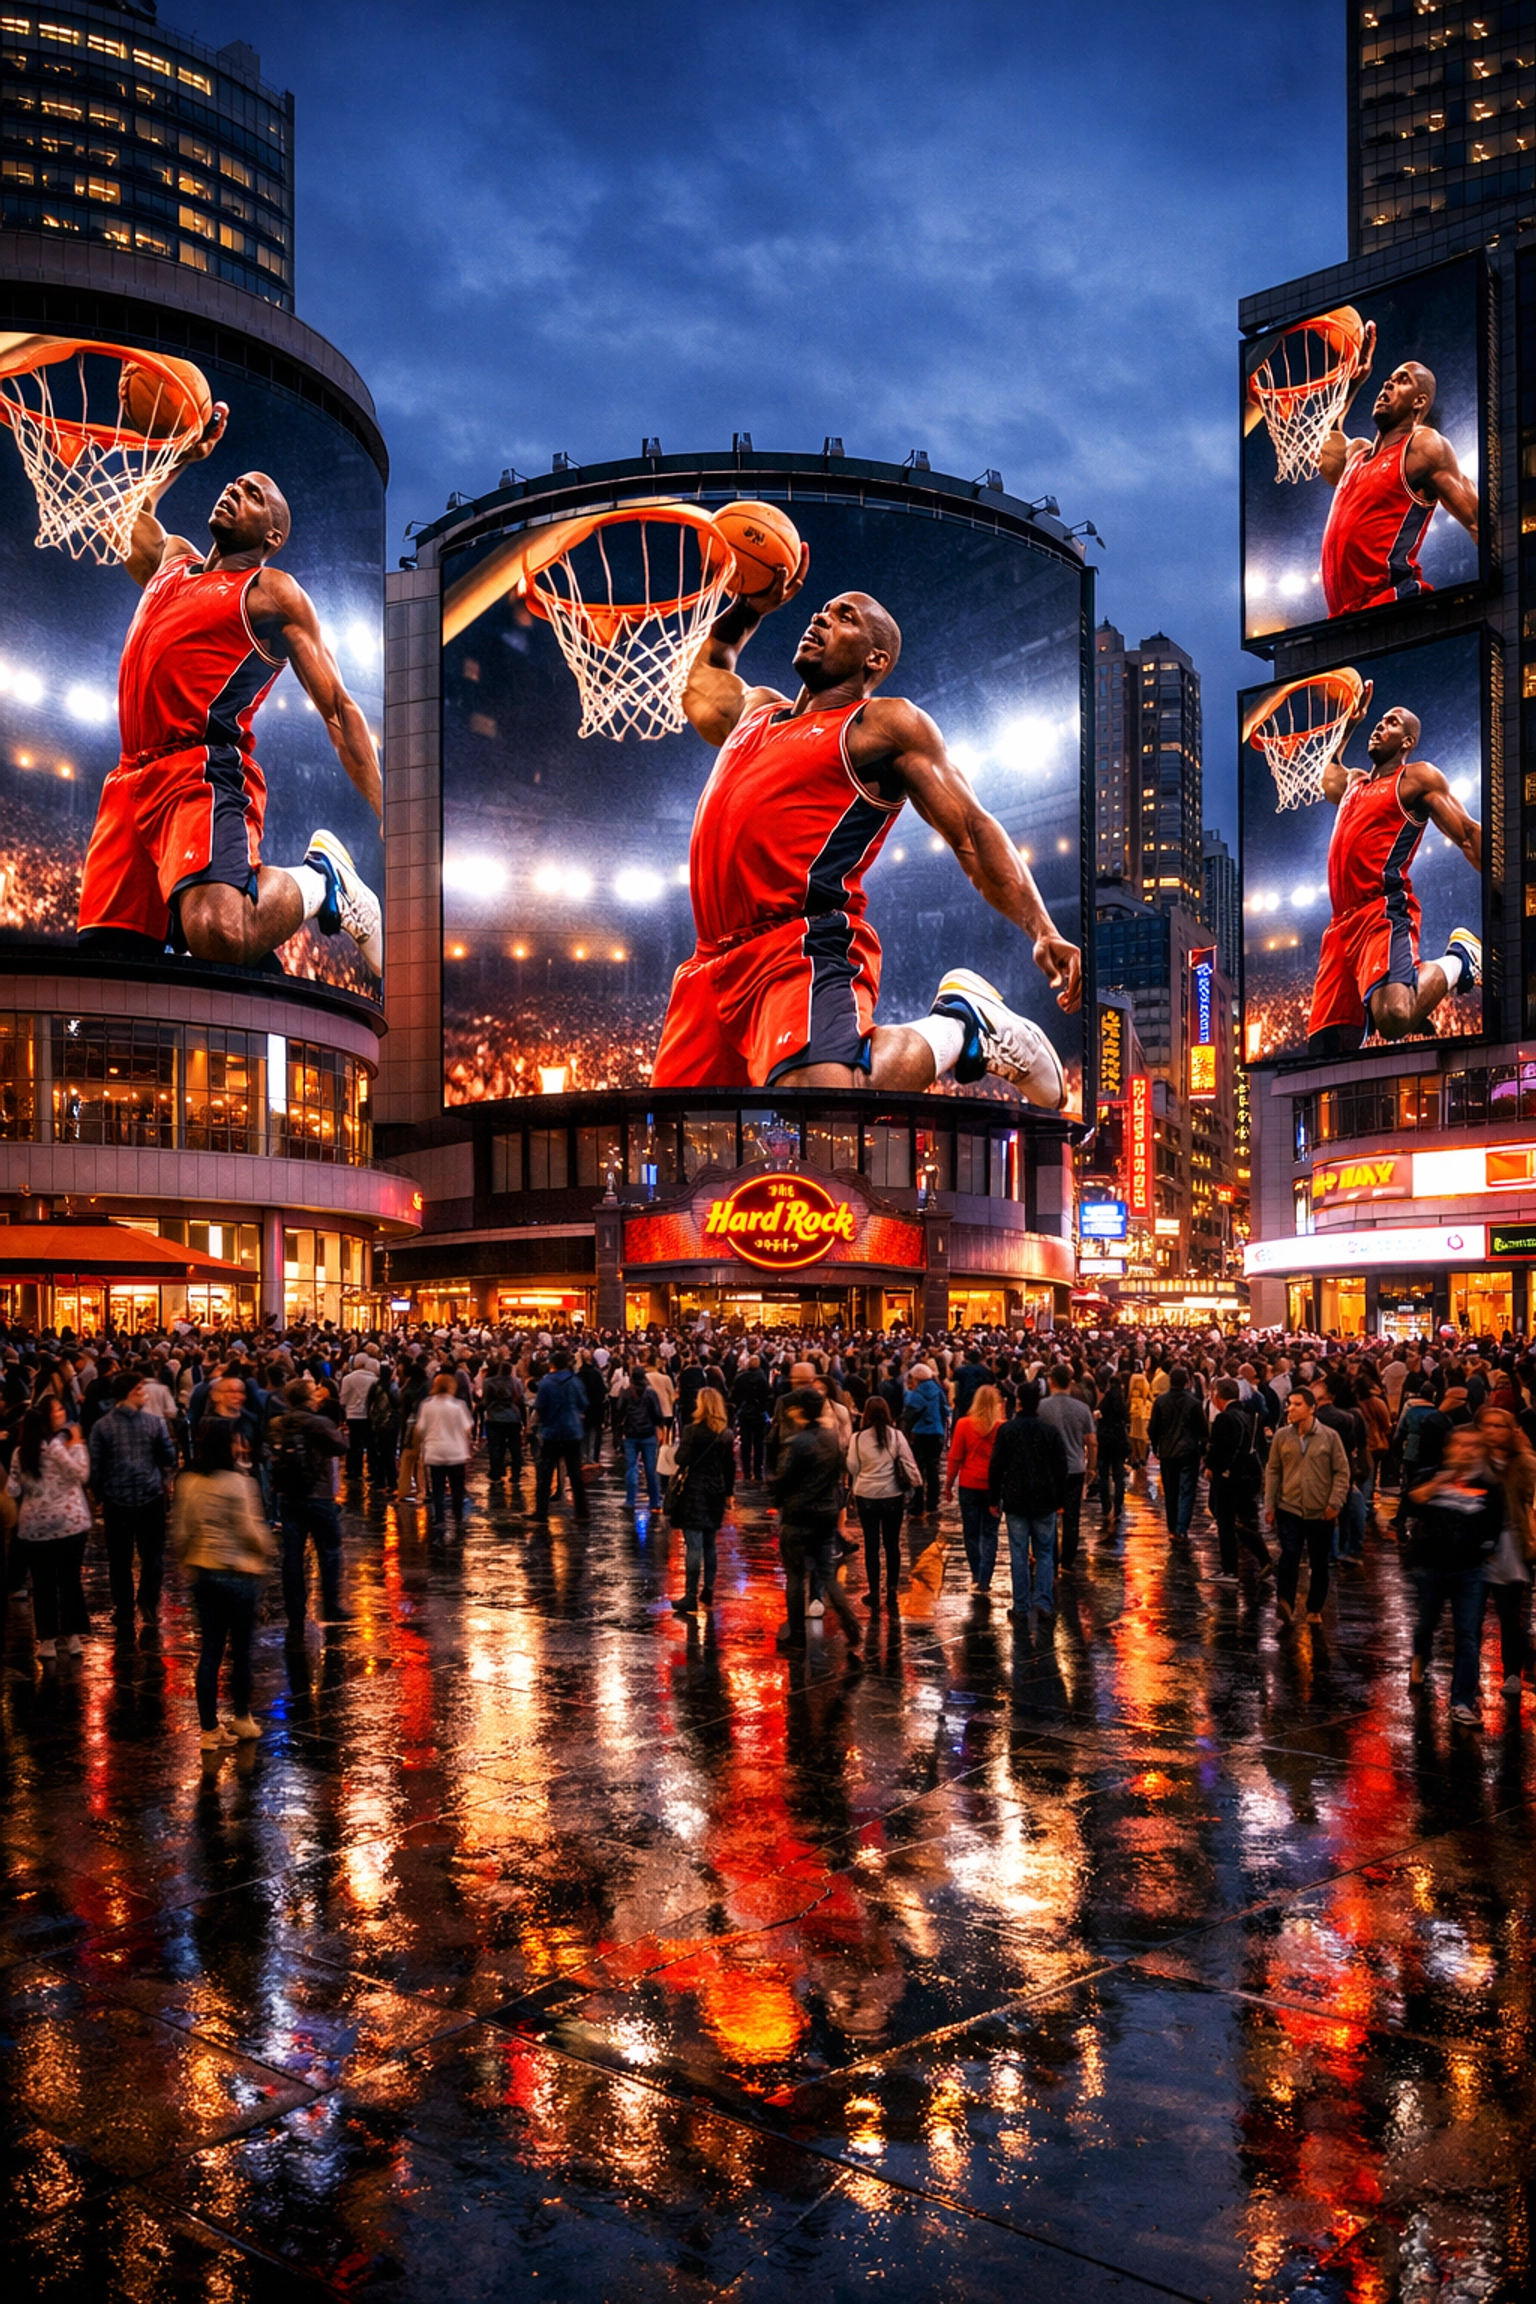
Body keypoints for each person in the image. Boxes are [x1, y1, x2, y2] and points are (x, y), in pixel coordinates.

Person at [657, 562, 1080, 1103]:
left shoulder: (881, 726)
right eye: (821, 611)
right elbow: (699, 679)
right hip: (709, 962)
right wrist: (746, 608)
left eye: (844, 617)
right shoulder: (753, 710)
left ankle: (963, 1024)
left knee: (826, 1098)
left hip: (796, 944)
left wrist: (1041, 928)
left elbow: (972, 830)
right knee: (673, 1138)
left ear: (874, 659)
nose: (821, 618)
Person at [72, 387, 383, 974]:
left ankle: (324, 880)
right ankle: (259, 974)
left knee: (219, 930)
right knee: (109, 964)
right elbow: (122, 517)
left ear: (272, 538)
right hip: (130, 778)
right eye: (234, 484)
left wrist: (390, 812)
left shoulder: (270, 592)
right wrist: (181, 456)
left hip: (200, 771)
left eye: (254, 495)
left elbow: (339, 710)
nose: (235, 490)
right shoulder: (173, 561)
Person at [1306, 687, 1482, 1058]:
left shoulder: (1415, 778)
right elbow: (1326, 773)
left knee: (1394, 1016)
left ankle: (1461, 957)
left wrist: (1515, 878)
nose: (1379, 726)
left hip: (1380, 910)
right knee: (1325, 1049)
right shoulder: (1353, 782)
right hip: (1338, 927)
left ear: (1407, 741)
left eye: (1392, 723)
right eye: (1379, 721)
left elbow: (1468, 834)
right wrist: (1348, 724)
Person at [1316, 333, 1479, 619]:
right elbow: (1322, 442)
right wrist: (1353, 381)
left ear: (1419, 401)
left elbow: (1480, 523)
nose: (1388, 384)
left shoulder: (1423, 446)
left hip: (1390, 600)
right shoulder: (1356, 453)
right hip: (1344, 616)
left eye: (1402, 380)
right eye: (1388, 380)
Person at [171, 1419, 274, 1751]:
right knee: (241, 1652)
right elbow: (249, 1531)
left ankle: (209, 1729)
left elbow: (182, 1531)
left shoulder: (187, 1482)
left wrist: (188, 1562)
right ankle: (242, 1718)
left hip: (204, 1573)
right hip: (238, 1575)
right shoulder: (238, 1483)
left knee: (210, 1651)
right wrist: (265, 1547)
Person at [1407, 1423, 1503, 1724]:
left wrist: (1484, 1551)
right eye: (1461, 1444)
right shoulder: (1430, 1476)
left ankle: (1461, 1700)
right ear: (1449, 1448)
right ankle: (1421, 1655)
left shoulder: (1489, 1486)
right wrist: (1442, 1480)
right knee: (1426, 1624)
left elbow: (1496, 1524)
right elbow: (1411, 1503)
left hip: (1469, 1571)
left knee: (1468, 1634)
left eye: (1473, 1446)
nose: (1466, 1451)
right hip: (1430, 1567)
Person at [770, 1385, 863, 1654]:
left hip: (798, 1516)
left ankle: (797, 1635)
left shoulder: (798, 1443)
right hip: (825, 1513)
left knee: (795, 1576)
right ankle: (851, 1626)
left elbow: (784, 1480)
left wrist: (777, 1497)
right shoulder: (831, 1438)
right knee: (827, 1573)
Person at [87, 1367, 177, 1638]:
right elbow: (168, 1456)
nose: (144, 1393)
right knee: (152, 1556)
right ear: (127, 1393)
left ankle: (124, 1607)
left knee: (120, 1559)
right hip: (150, 1497)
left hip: (116, 1500)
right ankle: (148, 1603)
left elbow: (95, 1466)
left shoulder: (102, 1426)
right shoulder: (154, 1423)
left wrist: (100, 1494)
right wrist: (162, 1478)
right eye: (139, 1389)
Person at [6, 1397, 91, 1662]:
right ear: (47, 1418)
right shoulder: (59, 1448)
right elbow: (81, 1474)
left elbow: (13, 1489)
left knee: (42, 1584)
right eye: (58, 1409)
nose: (63, 1413)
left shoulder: (20, 1453)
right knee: (69, 1581)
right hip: (69, 1525)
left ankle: (47, 1642)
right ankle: (72, 1637)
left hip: (35, 1528)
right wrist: (78, 1445)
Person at [1264, 1388, 1350, 1626]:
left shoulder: (1329, 1437)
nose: (1290, 1409)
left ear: (1312, 1408)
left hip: (1319, 1511)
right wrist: (1270, 1504)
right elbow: (1273, 1470)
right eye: (1289, 1404)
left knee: (1319, 1561)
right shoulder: (1282, 1436)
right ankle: (1286, 1603)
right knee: (1289, 1555)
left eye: (1297, 1404)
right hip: (1289, 1508)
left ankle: (1314, 1608)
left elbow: (1341, 1472)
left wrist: (1334, 1503)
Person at [271, 1375, 348, 1630]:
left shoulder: (278, 1424)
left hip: (289, 1497)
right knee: (329, 1551)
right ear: (308, 1398)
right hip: (319, 1495)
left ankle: (295, 1610)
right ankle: (331, 1604)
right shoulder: (319, 1423)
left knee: (292, 1556)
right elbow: (340, 1447)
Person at [988, 1381, 1068, 1624]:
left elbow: (996, 1467)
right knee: (1044, 1552)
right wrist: (1060, 1499)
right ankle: (1043, 1602)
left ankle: (1021, 1605)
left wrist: (994, 1498)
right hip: (1044, 1499)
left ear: (1019, 1402)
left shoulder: (1007, 1430)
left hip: (1016, 1498)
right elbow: (1061, 1469)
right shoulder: (1049, 1431)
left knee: (1019, 1553)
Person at [1475, 1404, 1536, 1698]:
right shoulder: (1473, 1460)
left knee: (1510, 1616)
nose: (1492, 1431)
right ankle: (1469, 1674)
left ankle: (1512, 1672)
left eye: (1499, 1426)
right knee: (1471, 1616)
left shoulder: (1525, 1464)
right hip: (1476, 1549)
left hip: (1511, 1547)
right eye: (1486, 1425)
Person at [668, 1387, 736, 1614]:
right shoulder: (726, 1434)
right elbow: (729, 1466)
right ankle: (708, 1589)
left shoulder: (692, 1431)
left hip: (694, 1490)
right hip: (715, 1491)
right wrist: (729, 1493)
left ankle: (690, 1595)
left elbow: (681, 1458)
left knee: (694, 1546)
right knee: (710, 1544)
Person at [847, 1396, 919, 1610]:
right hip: (892, 1495)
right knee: (892, 1543)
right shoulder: (896, 1436)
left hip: (866, 1495)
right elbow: (908, 1461)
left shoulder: (857, 1438)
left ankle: (874, 1591)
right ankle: (892, 1588)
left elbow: (852, 1467)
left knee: (871, 1545)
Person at [1205, 1378, 1273, 1584]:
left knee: (1226, 1521)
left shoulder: (1224, 1418)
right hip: (1247, 1476)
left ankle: (1230, 1570)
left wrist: (1211, 1467)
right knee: (1239, 1520)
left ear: (1217, 1396)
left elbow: (1219, 1448)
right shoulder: (1248, 1416)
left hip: (1228, 1477)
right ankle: (1263, 1558)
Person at [945, 1382, 1004, 1597]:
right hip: (993, 1487)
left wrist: (948, 1485)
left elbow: (955, 1457)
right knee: (990, 1533)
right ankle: (985, 1578)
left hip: (969, 1484)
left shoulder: (963, 1424)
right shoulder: (1001, 1427)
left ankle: (976, 1573)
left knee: (971, 1532)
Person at [1040, 1363, 1097, 1567]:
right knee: (1072, 1516)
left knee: (1049, 1514)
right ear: (1070, 1383)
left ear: (1052, 1382)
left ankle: (1051, 1557)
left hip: (1048, 1468)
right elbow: (1091, 1441)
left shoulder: (1041, 1407)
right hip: (1074, 1468)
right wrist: (1091, 1467)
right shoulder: (1082, 1409)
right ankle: (1068, 1560)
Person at [1148, 1367, 1208, 1541]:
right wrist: (1203, 1450)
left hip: (1168, 1452)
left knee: (1171, 1491)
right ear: (1187, 1381)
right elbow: (1203, 1429)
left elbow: (1153, 1428)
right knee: (1187, 1490)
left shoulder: (1160, 1402)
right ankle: (1181, 1528)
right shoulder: (1194, 1403)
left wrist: (1155, 1446)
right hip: (1189, 1451)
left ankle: (1172, 1526)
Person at [533, 1347, 589, 1520]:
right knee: (575, 1474)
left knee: (546, 1473)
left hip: (552, 1431)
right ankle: (582, 1512)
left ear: (552, 1365)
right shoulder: (575, 1382)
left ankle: (542, 1512)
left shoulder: (546, 1383)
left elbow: (540, 1406)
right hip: (572, 1431)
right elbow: (583, 1403)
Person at [416, 1371, 474, 1535]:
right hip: (456, 1452)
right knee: (457, 1487)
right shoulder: (458, 1406)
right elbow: (467, 1428)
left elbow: (420, 1428)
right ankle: (458, 1516)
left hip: (435, 1451)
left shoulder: (427, 1405)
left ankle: (439, 1518)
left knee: (438, 1487)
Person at [902, 1360, 948, 1515]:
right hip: (937, 1433)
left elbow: (908, 1415)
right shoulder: (938, 1390)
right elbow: (945, 1410)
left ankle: (917, 1506)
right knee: (933, 1469)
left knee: (918, 1470)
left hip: (919, 1434)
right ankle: (932, 1504)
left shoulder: (914, 1395)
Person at [481, 1355, 527, 1489]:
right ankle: (516, 1473)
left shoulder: (488, 1382)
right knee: (514, 1446)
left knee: (495, 1445)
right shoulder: (516, 1382)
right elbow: (521, 1399)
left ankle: (496, 1471)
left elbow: (485, 1400)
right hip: (513, 1417)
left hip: (494, 1417)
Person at [1095, 1376, 1131, 1528]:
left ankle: (1106, 1507)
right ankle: (1118, 1507)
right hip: (1118, 1442)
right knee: (1118, 1476)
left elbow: (1098, 1415)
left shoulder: (1105, 1402)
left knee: (1103, 1476)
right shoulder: (1121, 1404)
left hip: (1104, 1441)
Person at [732, 1354, 771, 1481]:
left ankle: (747, 1471)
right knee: (759, 1444)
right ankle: (758, 1471)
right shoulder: (762, 1378)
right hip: (759, 1414)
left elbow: (735, 1396)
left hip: (744, 1414)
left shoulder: (741, 1378)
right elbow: (767, 1396)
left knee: (746, 1443)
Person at [339, 1354, 376, 1482]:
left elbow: (343, 1399)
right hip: (368, 1415)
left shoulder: (348, 1379)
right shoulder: (373, 1379)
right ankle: (372, 1470)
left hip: (352, 1414)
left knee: (354, 1444)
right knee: (370, 1444)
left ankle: (354, 1470)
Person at [1127, 1363, 1152, 1468]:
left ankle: (1135, 1457)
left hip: (1133, 1408)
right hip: (1144, 1408)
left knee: (1133, 1435)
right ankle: (1142, 1457)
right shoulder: (1144, 1379)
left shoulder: (1133, 1378)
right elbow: (1147, 1392)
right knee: (1142, 1436)